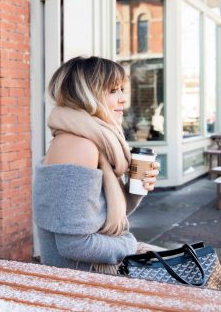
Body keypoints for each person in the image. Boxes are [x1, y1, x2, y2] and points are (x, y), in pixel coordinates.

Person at [33, 56, 161, 274]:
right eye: (112, 91)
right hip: (85, 276)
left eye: (121, 89)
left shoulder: (97, 142)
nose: (123, 99)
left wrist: (136, 188)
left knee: (207, 271)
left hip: (102, 263)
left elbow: (100, 217)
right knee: (206, 281)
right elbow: (76, 246)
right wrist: (131, 245)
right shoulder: (77, 145)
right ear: (85, 95)